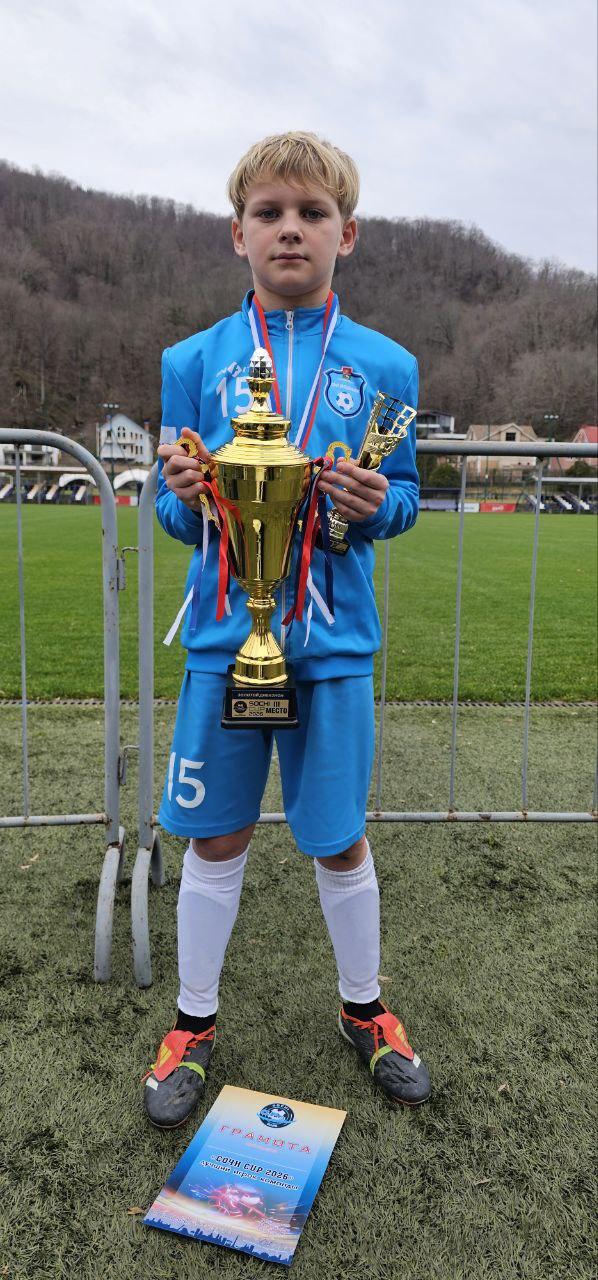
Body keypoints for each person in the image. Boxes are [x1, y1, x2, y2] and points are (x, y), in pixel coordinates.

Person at [143, 131, 430, 1128]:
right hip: (228, 636)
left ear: (347, 234)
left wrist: (374, 503)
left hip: (333, 643)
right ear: (238, 234)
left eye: (312, 213)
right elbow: (173, 510)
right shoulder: (193, 361)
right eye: (269, 213)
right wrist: (184, 491)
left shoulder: (387, 365)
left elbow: (405, 498)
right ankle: (193, 1020)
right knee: (215, 832)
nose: (290, 229)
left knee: (338, 838)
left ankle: (364, 1007)